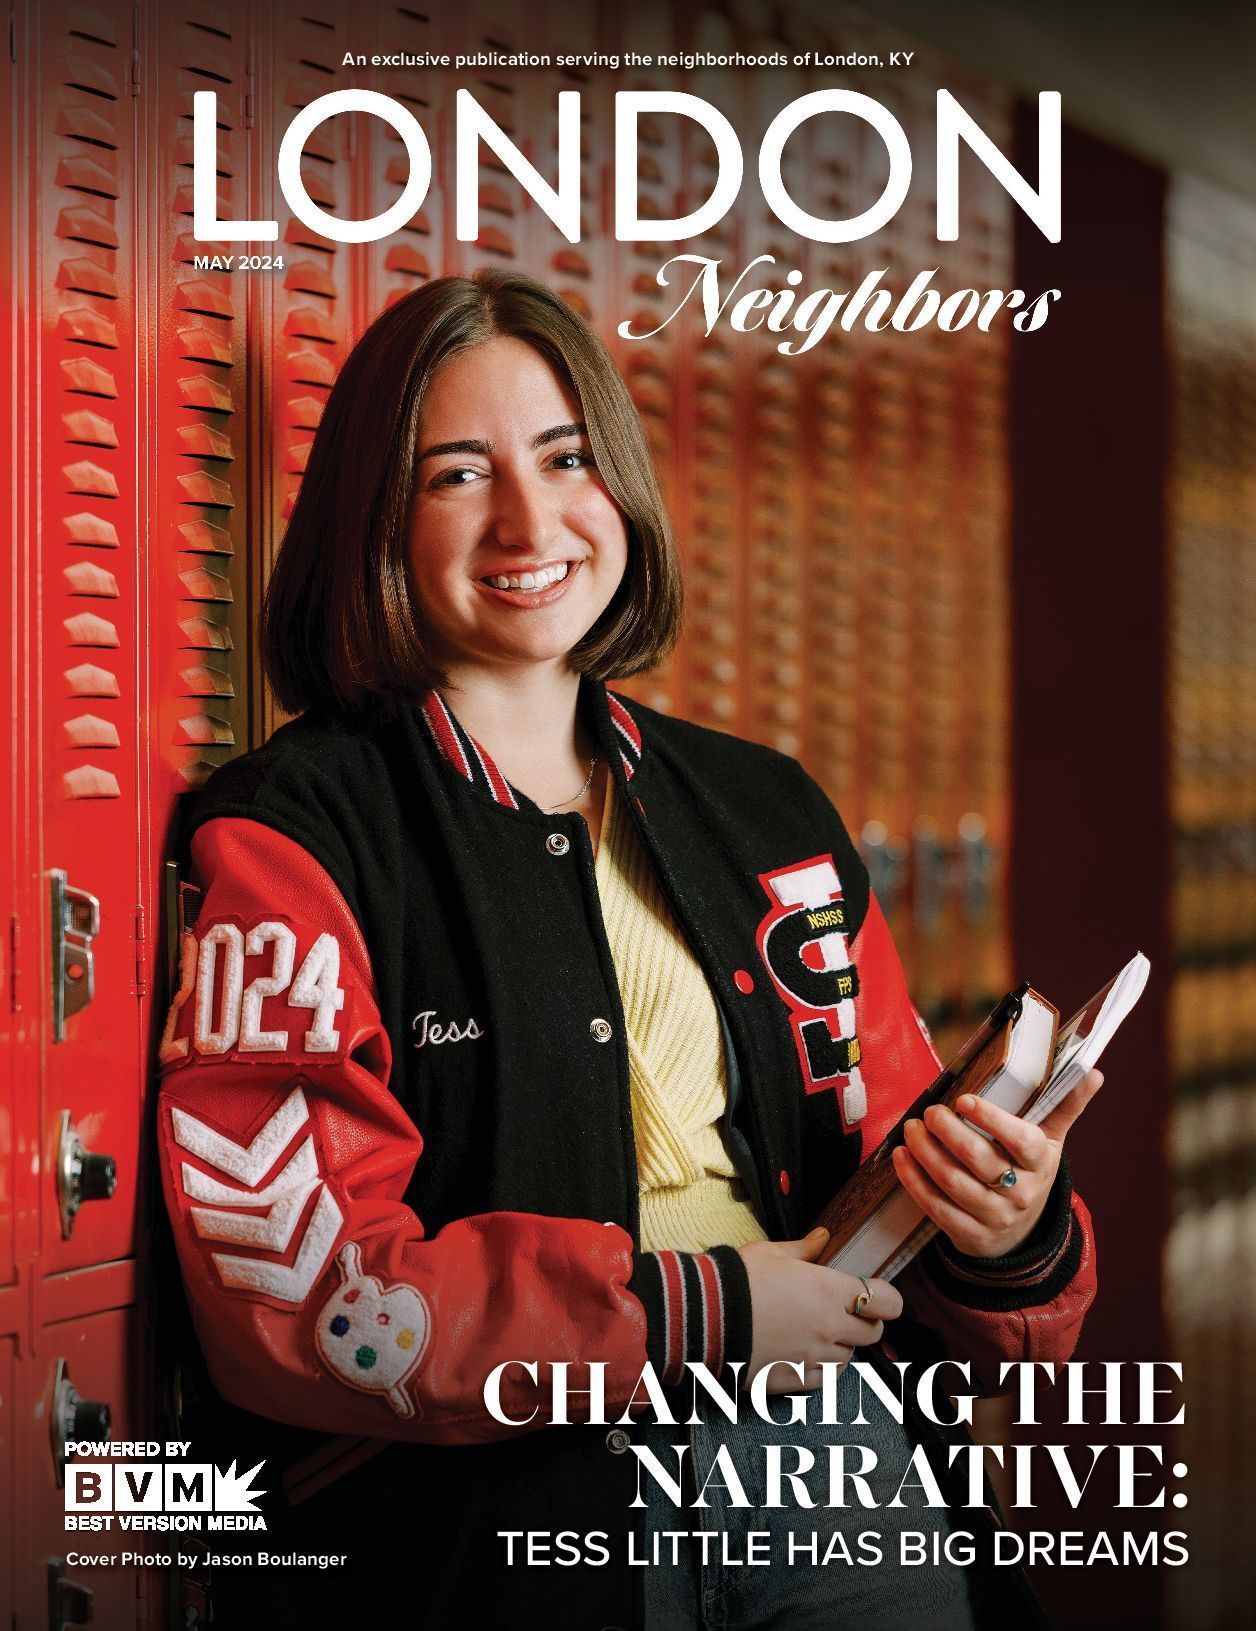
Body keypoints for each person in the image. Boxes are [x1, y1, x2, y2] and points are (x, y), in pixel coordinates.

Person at [155, 268, 1100, 1630]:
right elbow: (302, 1293)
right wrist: (695, 1317)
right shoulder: (291, 836)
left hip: (826, 1463)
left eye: (566, 458)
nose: (529, 522)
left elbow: (883, 1154)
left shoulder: (768, 813)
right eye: (457, 475)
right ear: (377, 517)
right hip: (498, 1523)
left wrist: (1000, 1224)